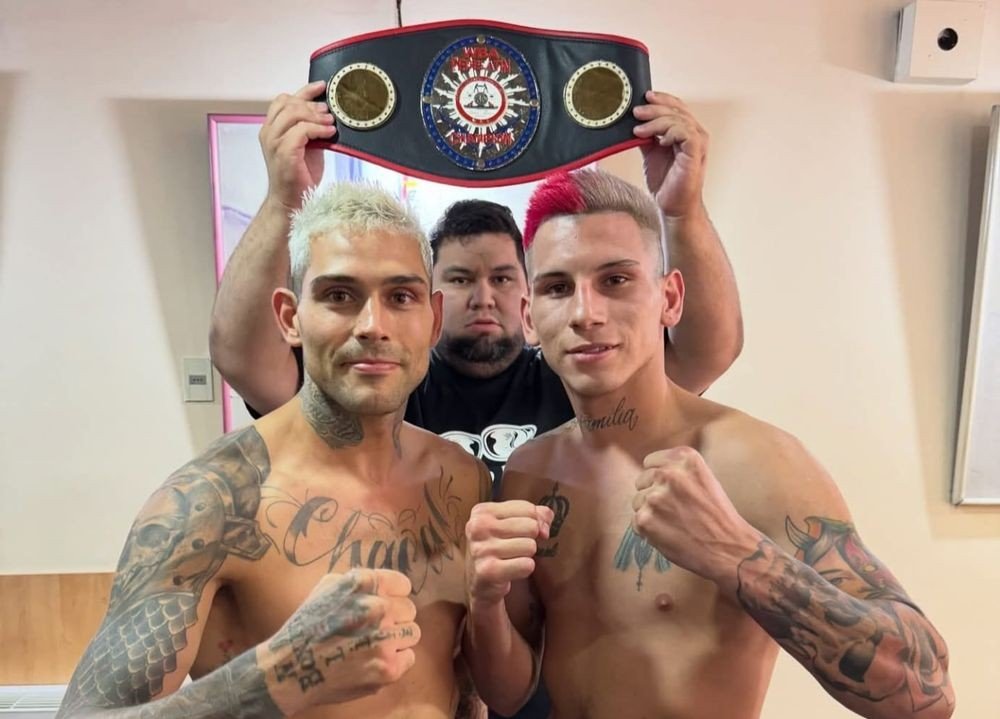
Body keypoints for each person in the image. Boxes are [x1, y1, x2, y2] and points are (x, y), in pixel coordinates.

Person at [462, 169, 955, 719]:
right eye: (558, 288)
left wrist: (736, 554)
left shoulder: (752, 460)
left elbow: (926, 692)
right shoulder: (532, 470)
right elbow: (511, 693)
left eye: (616, 280)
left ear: (670, 298)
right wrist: (484, 600)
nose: (585, 313)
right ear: (529, 318)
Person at [58, 183, 490, 719]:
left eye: (401, 297)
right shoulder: (213, 502)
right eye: (339, 296)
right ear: (290, 317)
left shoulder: (462, 480)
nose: (373, 327)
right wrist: (277, 675)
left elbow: (459, 686)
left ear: (433, 318)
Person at [209, 82, 744, 491]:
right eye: (461, 278)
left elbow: (709, 350)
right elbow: (243, 358)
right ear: (433, 303)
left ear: (529, 300)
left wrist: (682, 209)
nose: (484, 297)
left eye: (502, 278)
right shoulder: (385, 378)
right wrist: (283, 200)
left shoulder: (580, 373)